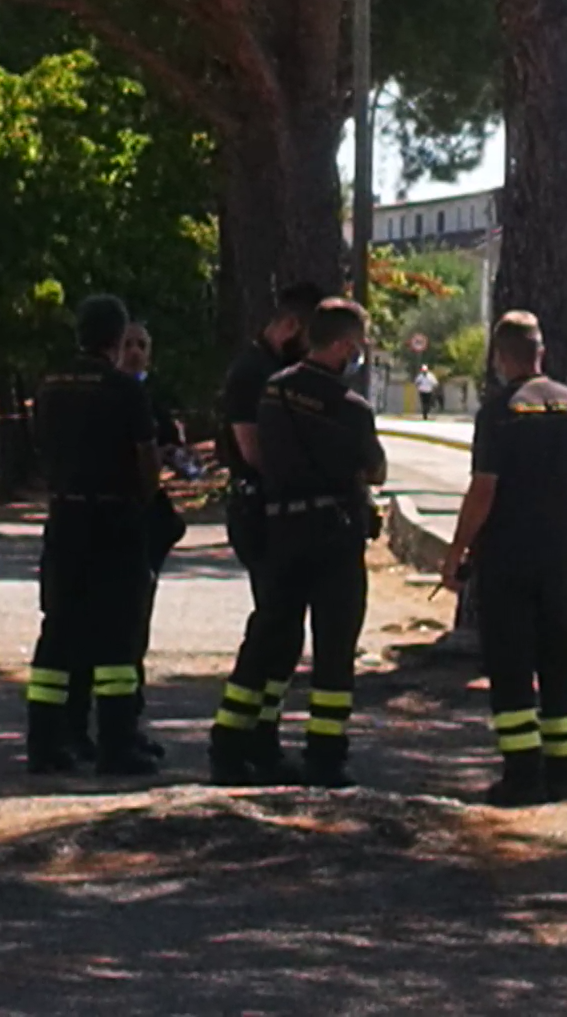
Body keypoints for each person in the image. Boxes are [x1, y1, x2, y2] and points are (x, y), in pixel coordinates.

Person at [210, 299, 386, 788]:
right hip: (334, 535)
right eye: (358, 347)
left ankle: (227, 744)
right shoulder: (351, 408)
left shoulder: (274, 390)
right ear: (345, 345)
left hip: (281, 531)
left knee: (268, 637)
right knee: (333, 648)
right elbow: (375, 469)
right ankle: (325, 756)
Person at [442, 311, 567, 807]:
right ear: (541, 352)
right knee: (560, 666)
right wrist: (558, 498)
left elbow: (483, 491)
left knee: (513, 667)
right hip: (561, 556)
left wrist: (456, 554)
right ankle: (564, 772)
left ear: (500, 357)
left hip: (507, 558)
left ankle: (521, 775)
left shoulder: (498, 411)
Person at [25, 294, 160, 777]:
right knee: (117, 636)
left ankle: (45, 742)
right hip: (113, 519)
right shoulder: (125, 390)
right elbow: (147, 461)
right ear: (116, 336)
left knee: (58, 631)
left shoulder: (50, 385)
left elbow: (42, 447)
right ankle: (117, 743)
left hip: (64, 517)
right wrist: (141, 502)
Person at [54, 320, 183, 764]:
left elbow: (172, 451)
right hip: (113, 520)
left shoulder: (147, 399)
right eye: (127, 343)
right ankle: (98, 734)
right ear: (113, 346)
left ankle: (123, 725)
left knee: (130, 635)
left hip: (127, 526)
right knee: (102, 634)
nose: (134, 353)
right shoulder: (113, 393)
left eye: (142, 345)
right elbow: (144, 466)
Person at [211, 282, 325, 779]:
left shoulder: (275, 370)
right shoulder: (251, 372)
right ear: (293, 327)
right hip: (260, 511)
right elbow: (255, 451)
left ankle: (263, 736)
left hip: (285, 514)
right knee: (273, 626)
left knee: (284, 632)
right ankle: (234, 741)